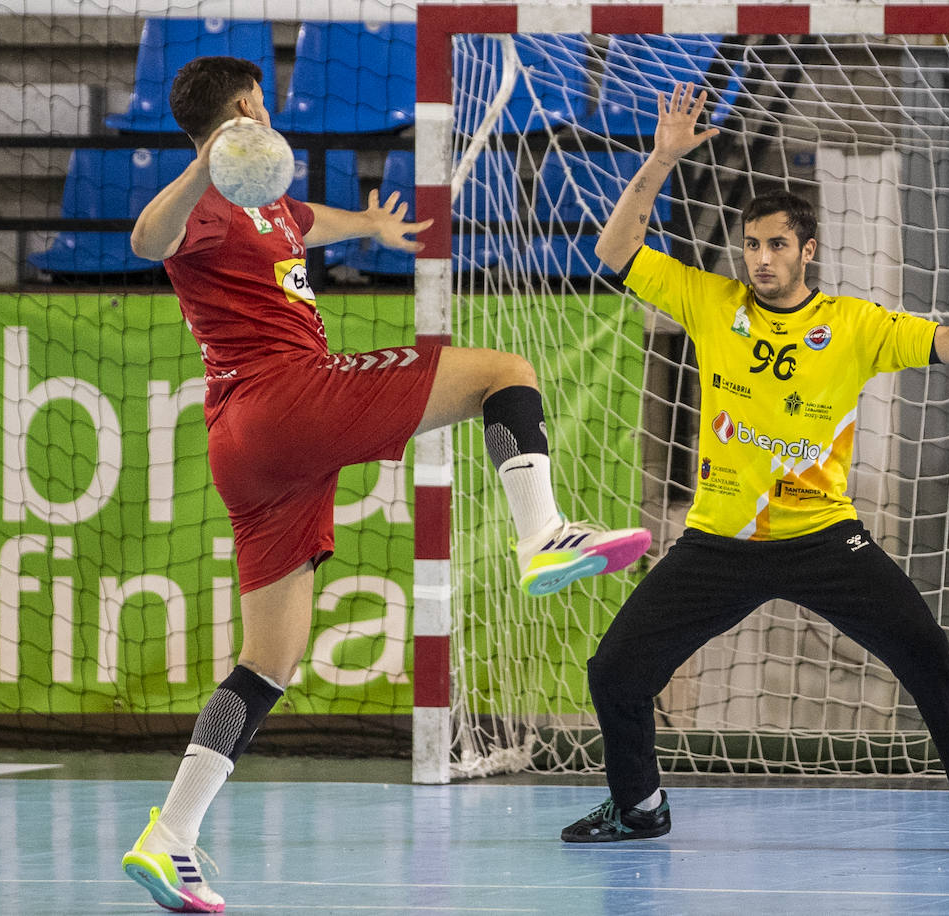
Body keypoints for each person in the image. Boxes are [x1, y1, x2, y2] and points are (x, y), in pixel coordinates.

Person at [118, 56, 651, 913]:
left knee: (269, 662)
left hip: (248, 446)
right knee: (504, 371)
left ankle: (170, 835)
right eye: (265, 101)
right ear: (249, 105)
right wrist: (202, 162)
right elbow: (147, 240)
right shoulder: (210, 198)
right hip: (284, 395)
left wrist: (366, 224)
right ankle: (543, 533)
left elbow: (301, 220)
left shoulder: (263, 196)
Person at [560, 83, 949, 852]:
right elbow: (613, 251)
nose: (762, 258)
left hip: (824, 538)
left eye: (777, 245)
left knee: (929, 661)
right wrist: (660, 159)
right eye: (751, 245)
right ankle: (638, 806)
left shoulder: (852, 324)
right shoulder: (712, 302)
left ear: (807, 250)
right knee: (615, 671)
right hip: (719, 541)